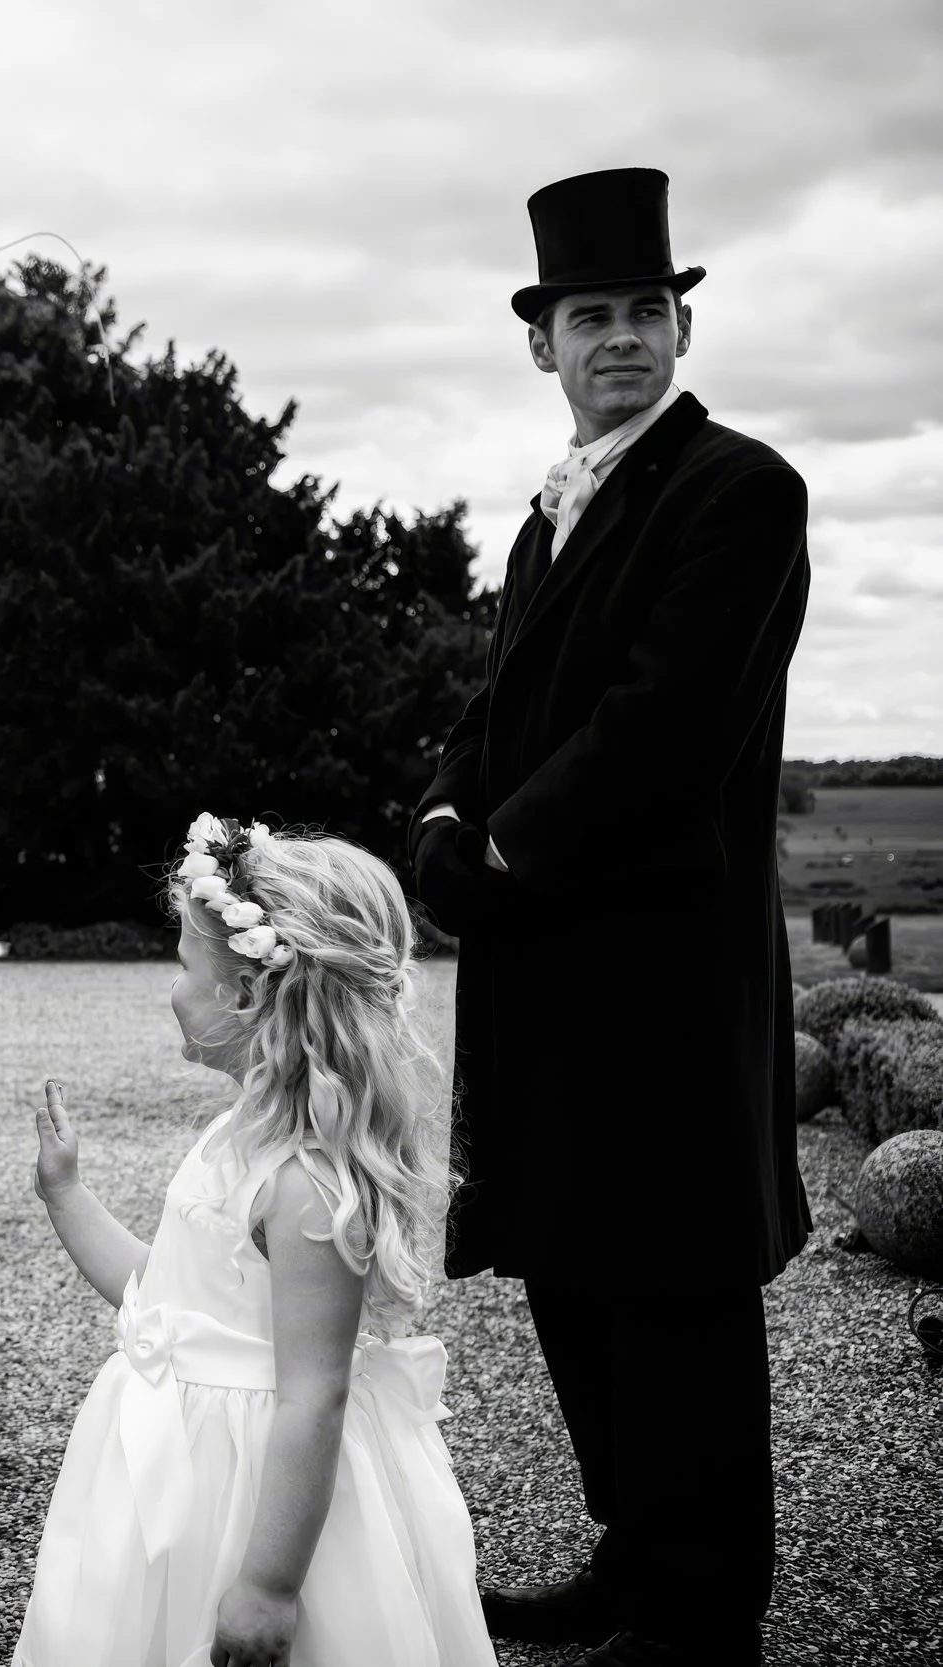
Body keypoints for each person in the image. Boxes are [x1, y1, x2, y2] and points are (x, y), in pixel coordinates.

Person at [409, 168, 811, 1667]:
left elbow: (666, 727)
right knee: (576, 1268)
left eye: (648, 311)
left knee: (676, 1285)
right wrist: (445, 814)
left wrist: (500, 857)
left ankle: (708, 1612)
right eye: (593, 316)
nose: (622, 337)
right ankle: (635, 1556)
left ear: (681, 329)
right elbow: (498, 709)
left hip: (660, 968)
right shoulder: (549, 513)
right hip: (549, 970)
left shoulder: (743, 490)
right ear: (544, 345)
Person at [17, 816, 495, 1667]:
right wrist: (66, 1194)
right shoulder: (238, 1134)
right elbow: (160, 1297)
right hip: (180, 1477)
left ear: (243, 994)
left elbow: (315, 1396)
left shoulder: (306, 1182)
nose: (173, 986)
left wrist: (271, 1582)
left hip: (257, 1504)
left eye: (183, 966)